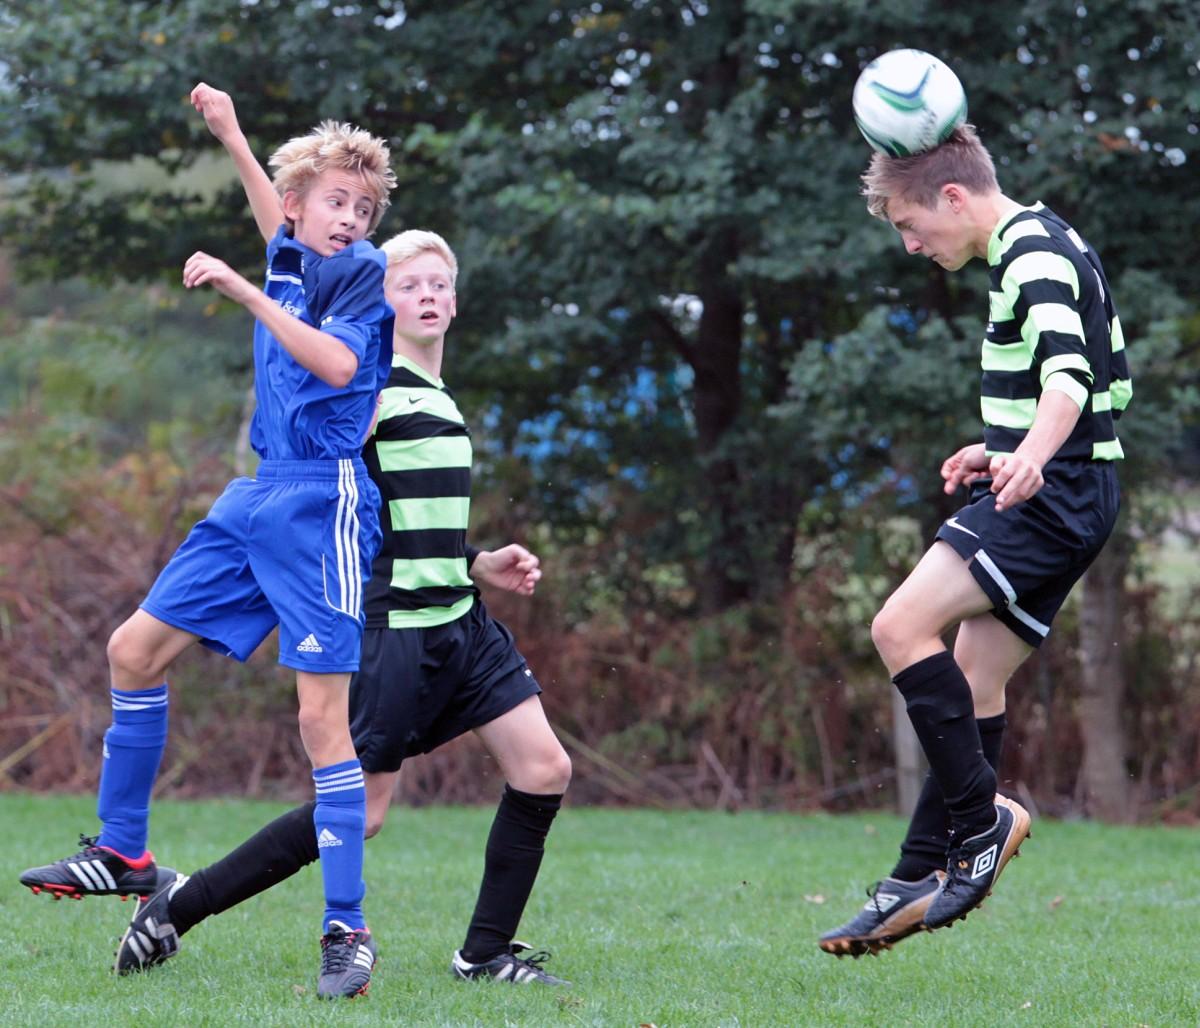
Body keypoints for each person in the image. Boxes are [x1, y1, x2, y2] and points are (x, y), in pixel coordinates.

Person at [106, 89, 573, 989]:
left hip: (464, 621)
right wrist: (241, 157)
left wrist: (478, 563)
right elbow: (356, 516)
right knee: (364, 811)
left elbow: (415, 517)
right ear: (374, 293)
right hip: (398, 627)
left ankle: (482, 956)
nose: (429, 292)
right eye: (410, 281)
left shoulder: (437, 395)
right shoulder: (365, 391)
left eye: (442, 282)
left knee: (545, 767)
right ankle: (176, 905)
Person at [19, 84, 397, 1000]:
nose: (350, 217)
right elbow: (279, 219)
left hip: (324, 505)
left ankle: (347, 930)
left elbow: (338, 363)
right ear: (305, 203)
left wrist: (238, 289)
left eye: (365, 206)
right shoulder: (297, 251)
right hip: (259, 495)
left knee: (320, 722)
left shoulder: (360, 276)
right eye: (337, 201)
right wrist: (231, 134)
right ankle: (125, 850)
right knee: (133, 651)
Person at [818, 124, 1132, 957]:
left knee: (896, 627)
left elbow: (1070, 379)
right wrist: (1000, 449)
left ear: (953, 196)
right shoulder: (1041, 238)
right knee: (973, 677)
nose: (912, 243)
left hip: (1055, 492)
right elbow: (1086, 386)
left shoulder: (1027, 251)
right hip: (1068, 487)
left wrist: (1027, 457)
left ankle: (980, 826)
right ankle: (915, 876)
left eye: (910, 225)